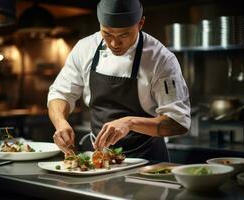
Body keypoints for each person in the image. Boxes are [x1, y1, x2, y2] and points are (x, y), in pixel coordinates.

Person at [48, 0, 191, 162]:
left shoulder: (161, 59)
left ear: (141, 23)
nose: (115, 44)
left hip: (146, 161)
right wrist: (60, 122)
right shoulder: (85, 48)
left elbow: (178, 122)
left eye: (124, 34)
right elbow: (60, 93)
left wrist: (129, 123)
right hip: (100, 159)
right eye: (107, 34)